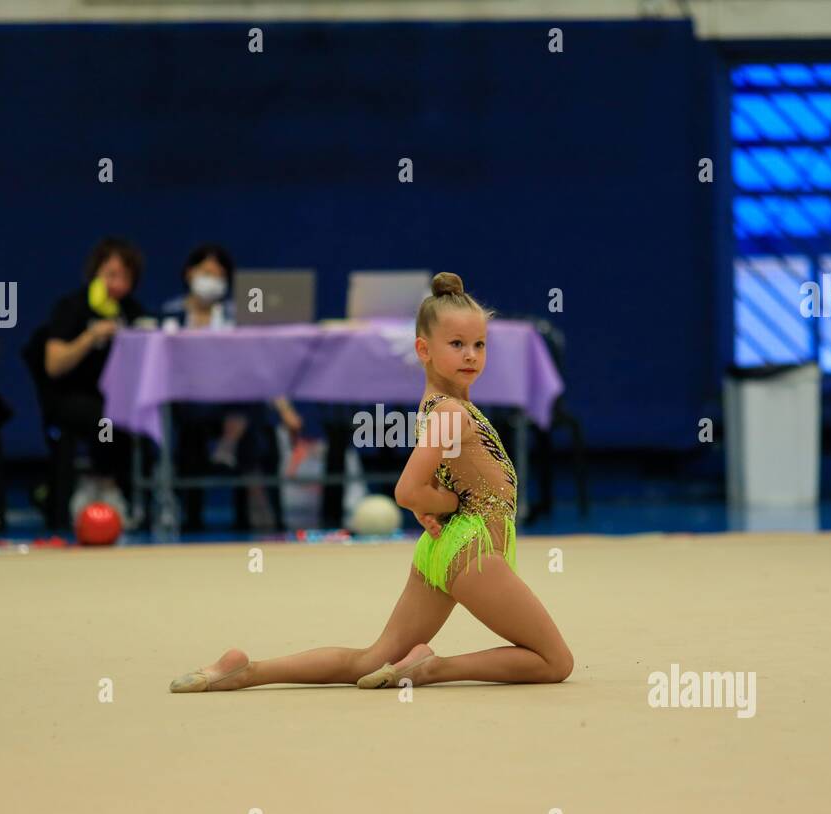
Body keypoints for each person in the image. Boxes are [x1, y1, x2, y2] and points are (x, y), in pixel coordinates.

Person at [169, 271, 573, 692]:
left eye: (478, 345)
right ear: (424, 349)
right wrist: (446, 504)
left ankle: (247, 670)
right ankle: (432, 669)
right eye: (456, 345)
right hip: (472, 549)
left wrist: (430, 505)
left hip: (445, 548)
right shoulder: (451, 412)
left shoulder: (443, 407)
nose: (470, 355)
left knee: (371, 659)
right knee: (554, 660)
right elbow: (407, 489)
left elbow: (435, 479)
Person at [164, 244, 302, 531]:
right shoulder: (170, 317)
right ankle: (249, 490)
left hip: (235, 401)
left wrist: (286, 410)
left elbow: (260, 367)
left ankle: (244, 481)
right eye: (206, 273)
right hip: (191, 404)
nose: (213, 280)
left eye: (220, 275)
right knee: (247, 418)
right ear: (189, 273)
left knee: (251, 405)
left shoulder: (235, 317)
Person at [42, 237, 147, 525]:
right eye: (111, 274)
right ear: (95, 273)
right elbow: (53, 365)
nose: (117, 283)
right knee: (105, 419)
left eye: (125, 277)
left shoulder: (133, 312)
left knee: (132, 415)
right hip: (74, 398)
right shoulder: (71, 307)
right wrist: (90, 337)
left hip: (120, 400)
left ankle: (124, 493)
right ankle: (101, 483)